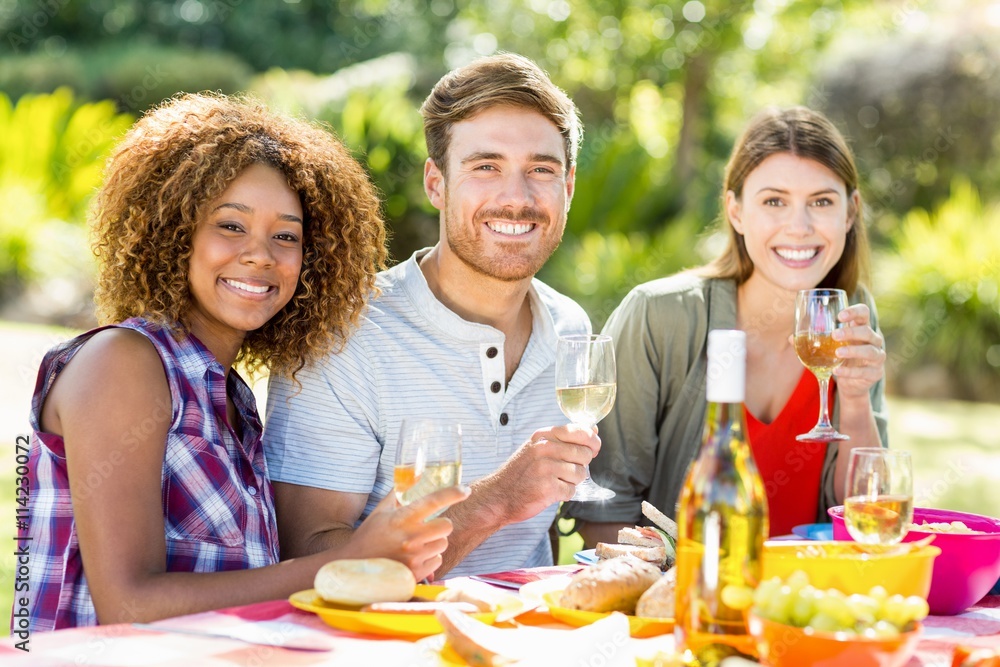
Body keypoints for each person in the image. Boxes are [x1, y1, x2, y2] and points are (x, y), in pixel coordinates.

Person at [18, 93, 468, 633]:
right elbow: (128, 605)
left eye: (286, 235)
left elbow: (247, 585)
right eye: (231, 225)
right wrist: (341, 560)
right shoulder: (123, 362)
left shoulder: (231, 395)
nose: (260, 254)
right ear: (173, 231)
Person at [264, 53, 597, 578]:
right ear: (436, 184)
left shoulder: (571, 328)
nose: (517, 197)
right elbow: (311, 561)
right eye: (486, 167)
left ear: (568, 187)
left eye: (542, 170)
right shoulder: (343, 335)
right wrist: (493, 502)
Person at [565, 106, 888, 542]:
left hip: (803, 601)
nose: (799, 227)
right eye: (774, 201)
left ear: (849, 214)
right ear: (735, 211)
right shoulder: (661, 316)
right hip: (684, 599)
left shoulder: (851, 317)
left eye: (822, 202)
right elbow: (604, 509)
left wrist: (853, 397)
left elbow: (863, 516)